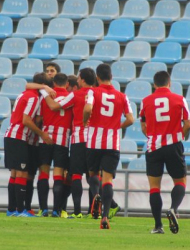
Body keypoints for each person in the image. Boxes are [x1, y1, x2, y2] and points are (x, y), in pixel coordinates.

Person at [139, 71, 190, 234]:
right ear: (169, 83)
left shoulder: (145, 101)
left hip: (153, 146)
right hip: (173, 145)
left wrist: (155, 137)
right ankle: (173, 209)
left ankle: (158, 226)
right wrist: (179, 136)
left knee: (154, 187)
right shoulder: (179, 99)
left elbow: (143, 126)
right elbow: (188, 124)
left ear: (154, 85)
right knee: (180, 181)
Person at [83, 64, 134, 229]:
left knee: (92, 174)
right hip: (112, 143)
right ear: (111, 77)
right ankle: (105, 216)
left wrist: (85, 121)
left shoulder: (93, 91)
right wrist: (117, 126)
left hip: (94, 141)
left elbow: (88, 108)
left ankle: (96, 195)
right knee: (108, 180)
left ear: (97, 77)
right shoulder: (122, 96)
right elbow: (131, 119)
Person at [43, 68, 96, 219]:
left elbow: (54, 106)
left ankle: (78, 211)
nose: (77, 81)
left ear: (83, 80)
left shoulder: (75, 94)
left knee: (77, 175)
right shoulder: (98, 94)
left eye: (79, 78)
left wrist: (44, 92)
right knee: (93, 175)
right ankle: (94, 211)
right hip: (95, 140)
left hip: (78, 139)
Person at [4, 73, 54, 217]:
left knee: (14, 173)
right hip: (19, 137)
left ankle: (11, 209)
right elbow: (26, 120)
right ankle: (21, 210)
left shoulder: (24, 94)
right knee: (22, 173)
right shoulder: (33, 98)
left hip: (11, 135)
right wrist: (42, 133)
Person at [37, 73, 73, 217]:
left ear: (53, 83)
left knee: (44, 173)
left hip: (45, 138)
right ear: (67, 84)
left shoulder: (46, 96)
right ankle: (56, 210)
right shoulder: (71, 97)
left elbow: (39, 118)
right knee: (58, 175)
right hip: (62, 139)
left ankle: (43, 208)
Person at [24, 73, 53, 216]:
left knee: (35, 174)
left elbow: (39, 119)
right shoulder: (38, 95)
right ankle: (29, 207)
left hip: (38, 141)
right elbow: (27, 85)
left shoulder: (42, 96)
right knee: (31, 175)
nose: (50, 72)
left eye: (52, 70)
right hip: (35, 140)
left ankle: (32, 207)